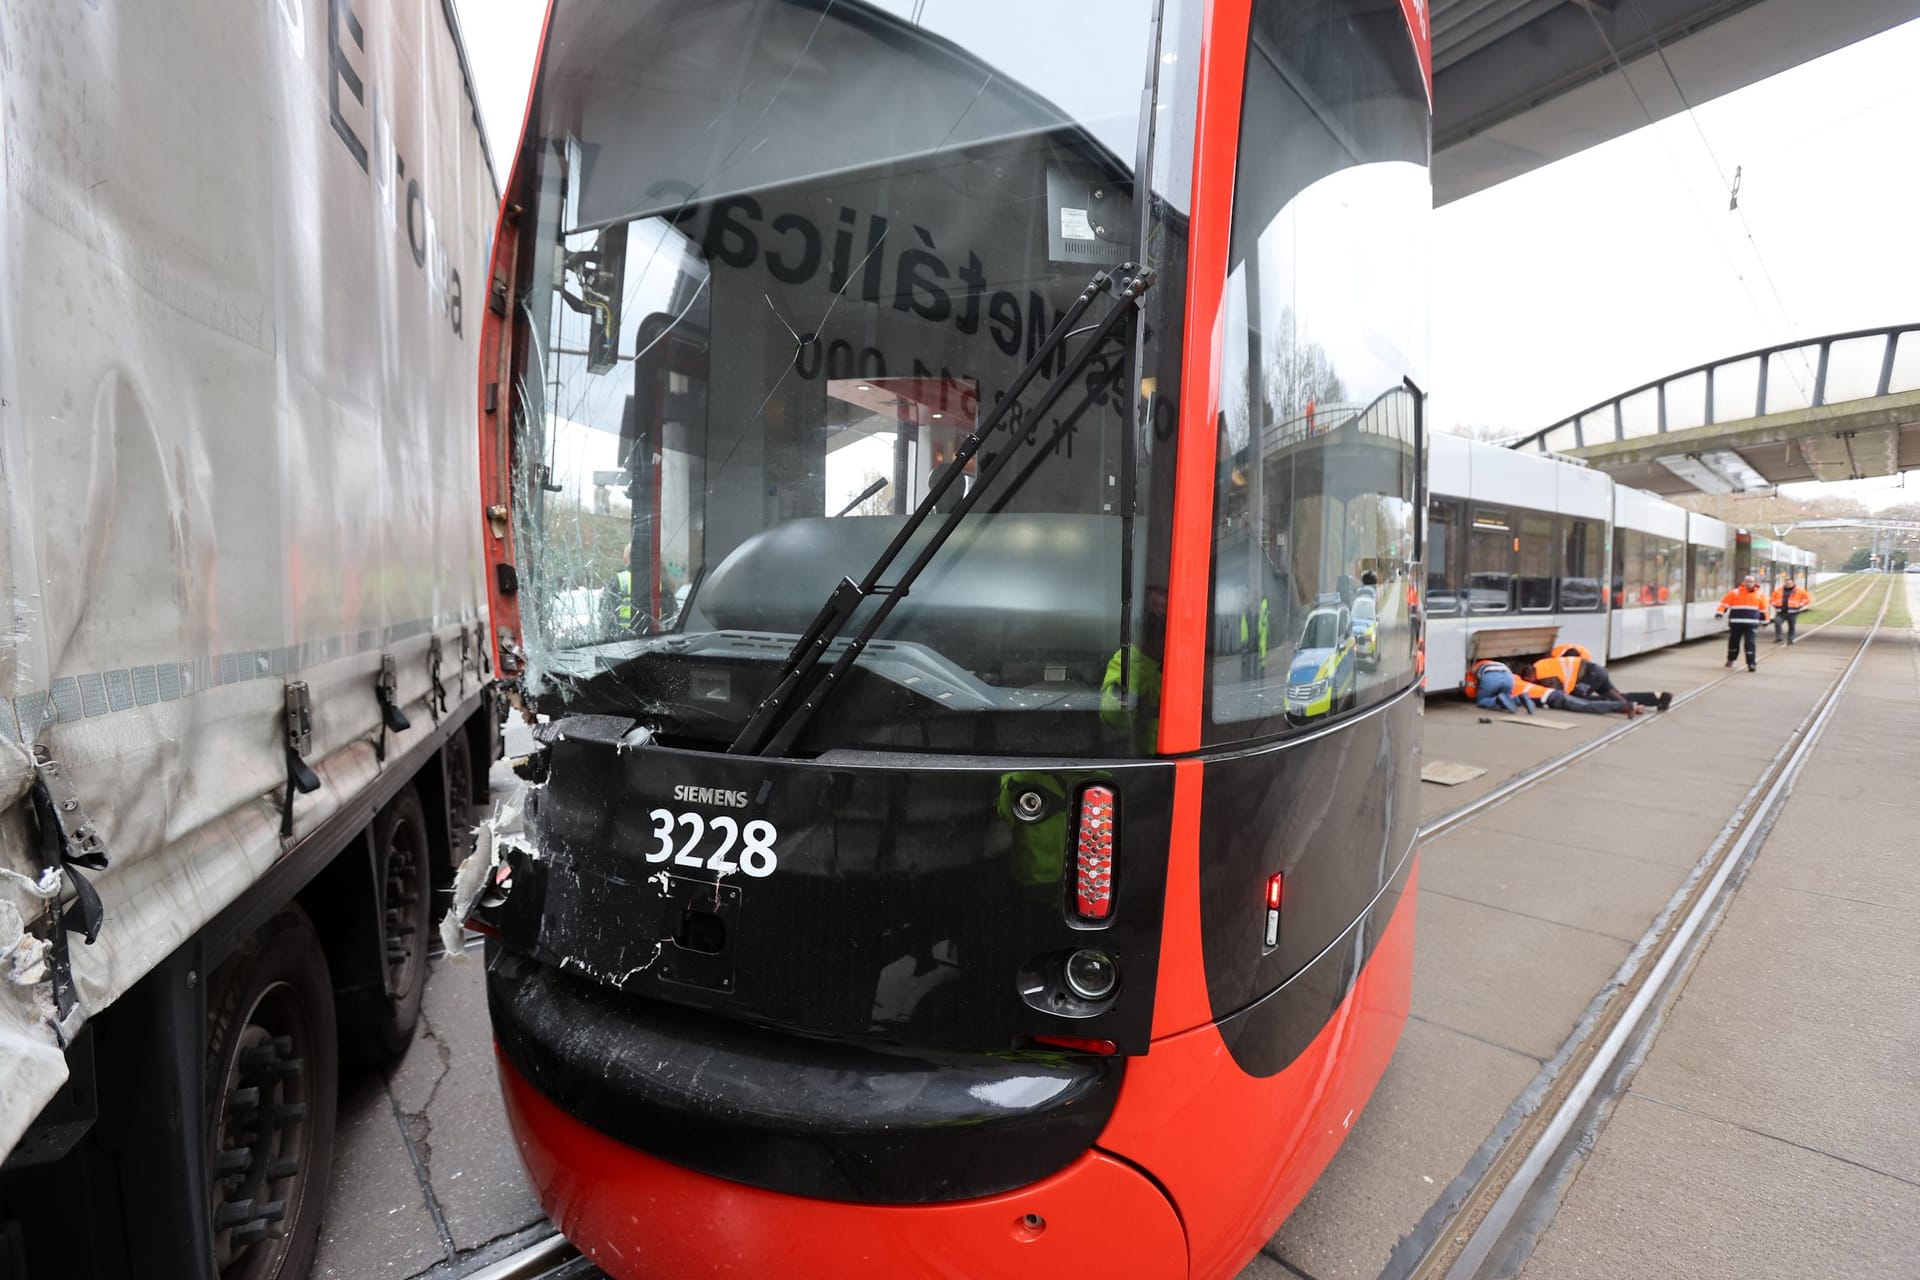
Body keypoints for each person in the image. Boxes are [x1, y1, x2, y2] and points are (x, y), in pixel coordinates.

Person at [1529, 643, 1673, 713]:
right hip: (1595, 671)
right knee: (1617, 696)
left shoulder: (1545, 669)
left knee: (1580, 700)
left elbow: (1560, 690)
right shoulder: (1550, 661)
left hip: (1591, 673)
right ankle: (1658, 697)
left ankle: (1629, 707)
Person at [1467, 658, 1628, 716]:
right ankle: (1623, 704)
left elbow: (1471, 692)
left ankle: (1619, 705)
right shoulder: (1511, 677)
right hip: (1554, 693)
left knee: (1586, 706)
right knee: (1587, 702)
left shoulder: (1524, 680)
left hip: (1551, 698)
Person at [1716, 574, 1770, 671]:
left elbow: (1763, 610)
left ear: (1755, 583)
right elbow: (1724, 604)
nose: (1749, 583)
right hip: (1736, 623)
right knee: (1733, 641)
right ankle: (1731, 659)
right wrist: (1719, 613)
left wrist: (1765, 621)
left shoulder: (1760, 595)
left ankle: (1751, 664)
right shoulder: (1735, 593)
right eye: (1747, 581)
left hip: (1751, 623)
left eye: (1751, 582)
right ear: (1743, 582)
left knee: (1750, 643)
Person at [1770, 574, 1811, 645]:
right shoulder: (1778, 590)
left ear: (1793, 583)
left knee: (1791, 626)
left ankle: (1790, 639)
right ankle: (1779, 637)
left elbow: (1806, 599)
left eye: (1789, 583)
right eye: (1786, 583)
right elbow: (1772, 598)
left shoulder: (1800, 591)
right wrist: (1774, 604)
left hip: (1793, 612)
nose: (1788, 584)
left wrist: (1800, 604)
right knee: (1777, 622)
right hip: (1781, 612)